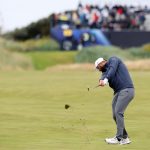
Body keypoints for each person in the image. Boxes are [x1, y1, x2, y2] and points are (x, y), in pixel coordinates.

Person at [95, 56, 135, 145]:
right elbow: (105, 74)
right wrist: (101, 80)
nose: (98, 69)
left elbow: (112, 70)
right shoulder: (106, 70)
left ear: (102, 63)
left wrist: (105, 79)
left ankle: (118, 138)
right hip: (118, 92)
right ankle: (125, 138)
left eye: (98, 67)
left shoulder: (113, 60)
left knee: (118, 112)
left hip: (126, 90)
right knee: (115, 115)